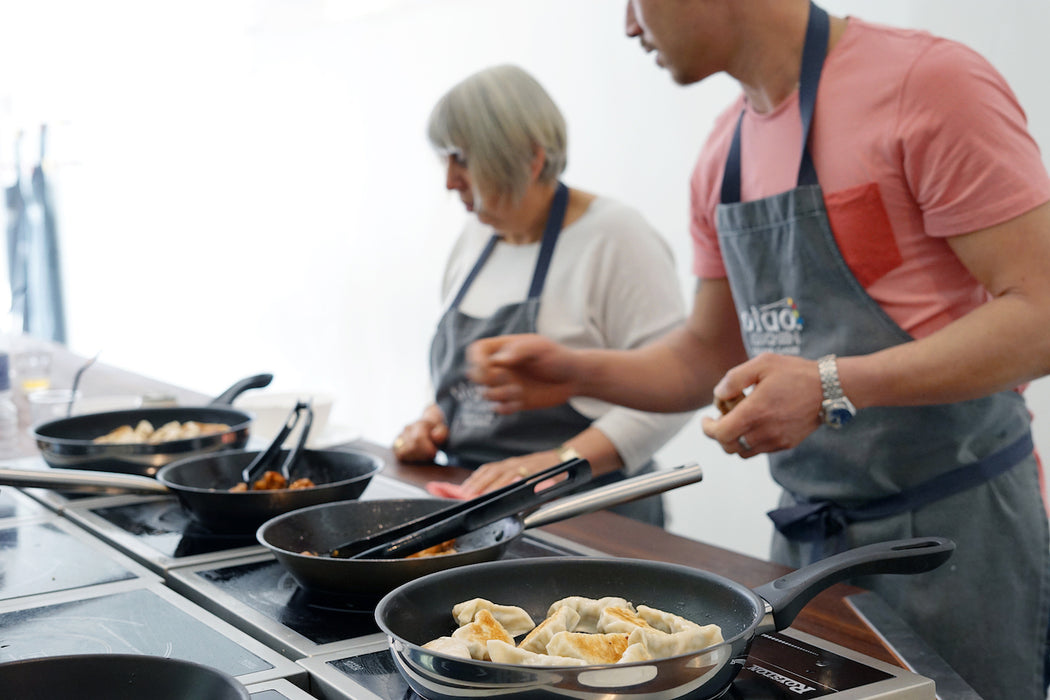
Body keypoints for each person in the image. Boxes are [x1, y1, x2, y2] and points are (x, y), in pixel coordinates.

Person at [465, 3, 1050, 699]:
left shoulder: (927, 84)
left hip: (957, 534)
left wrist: (831, 383)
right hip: (807, 542)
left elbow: (1040, 314)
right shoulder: (723, 154)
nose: (627, 24)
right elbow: (704, 356)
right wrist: (575, 371)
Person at [393, 64, 693, 526]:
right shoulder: (474, 239)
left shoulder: (615, 237)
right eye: (444, 160)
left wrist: (561, 459)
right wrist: (437, 418)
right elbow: (474, 385)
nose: (450, 181)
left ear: (530, 159)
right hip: (478, 507)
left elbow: (678, 392)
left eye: (461, 158)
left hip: (592, 517)